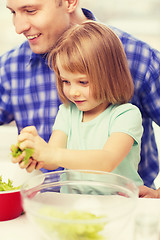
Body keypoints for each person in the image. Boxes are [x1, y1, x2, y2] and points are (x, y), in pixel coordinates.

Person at [1, 0, 160, 189]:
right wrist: (36, 150)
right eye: (65, 82)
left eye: (30, 10)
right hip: (65, 206)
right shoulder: (68, 112)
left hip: (121, 206)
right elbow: (52, 158)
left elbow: (106, 161)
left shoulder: (126, 113)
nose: (19, 28)